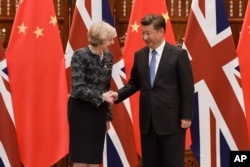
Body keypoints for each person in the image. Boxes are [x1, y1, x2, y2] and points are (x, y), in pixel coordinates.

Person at [112, 14, 194, 167]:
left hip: (172, 122)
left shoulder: (178, 55)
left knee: (172, 163)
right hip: (148, 122)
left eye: (148, 33)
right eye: (143, 32)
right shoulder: (140, 55)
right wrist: (118, 95)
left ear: (161, 32)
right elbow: (134, 83)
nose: (145, 37)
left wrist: (186, 116)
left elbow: (187, 87)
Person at [67, 20, 116, 167]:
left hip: (98, 111)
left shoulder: (108, 57)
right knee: (82, 156)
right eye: (110, 39)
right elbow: (78, 87)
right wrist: (101, 97)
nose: (112, 42)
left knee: (95, 156)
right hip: (80, 111)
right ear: (100, 39)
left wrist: (107, 117)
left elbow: (106, 87)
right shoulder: (80, 55)